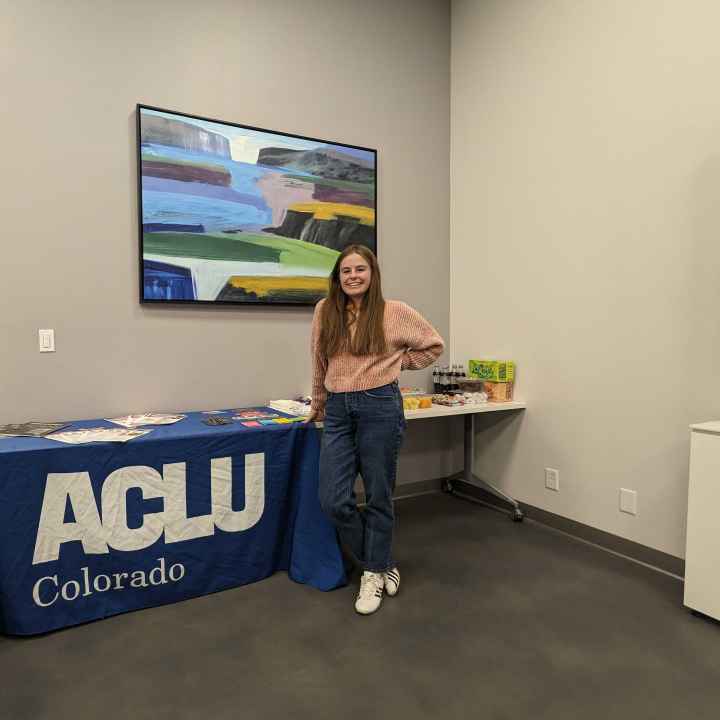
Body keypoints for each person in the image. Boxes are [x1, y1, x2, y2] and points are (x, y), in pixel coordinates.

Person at [307, 244, 444, 615]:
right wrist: (318, 403)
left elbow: (434, 346)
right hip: (337, 410)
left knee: (379, 493)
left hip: (379, 406)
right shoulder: (325, 311)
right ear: (337, 277)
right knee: (333, 499)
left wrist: (399, 362)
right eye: (346, 271)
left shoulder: (394, 312)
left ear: (372, 274)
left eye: (360, 270)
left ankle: (371, 573)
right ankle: (380, 561)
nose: (353, 276)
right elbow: (319, 362)